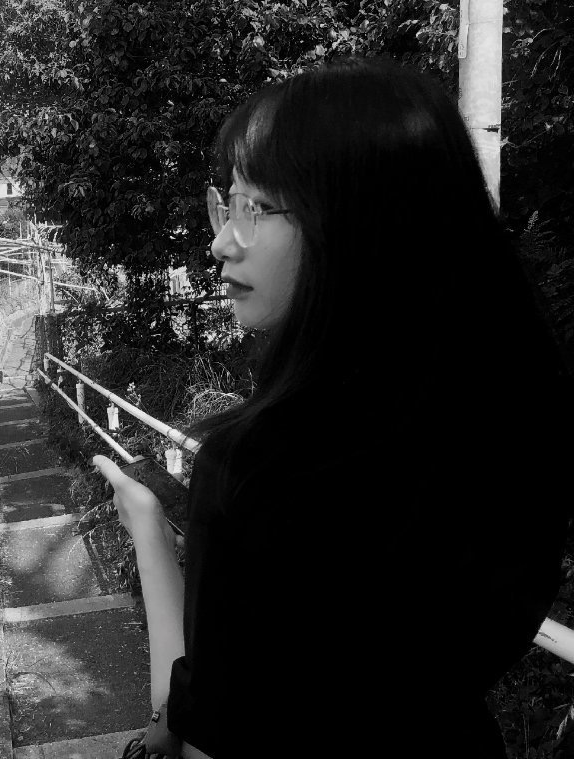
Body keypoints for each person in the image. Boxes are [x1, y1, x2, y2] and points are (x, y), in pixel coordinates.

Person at [94, 57, 572, 758]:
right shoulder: (517, 433)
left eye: (253, 207)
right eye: (226, 203)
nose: (220, 239)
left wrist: (149, 532)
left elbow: (205, 734)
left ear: (353, 225)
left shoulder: (260, 473)